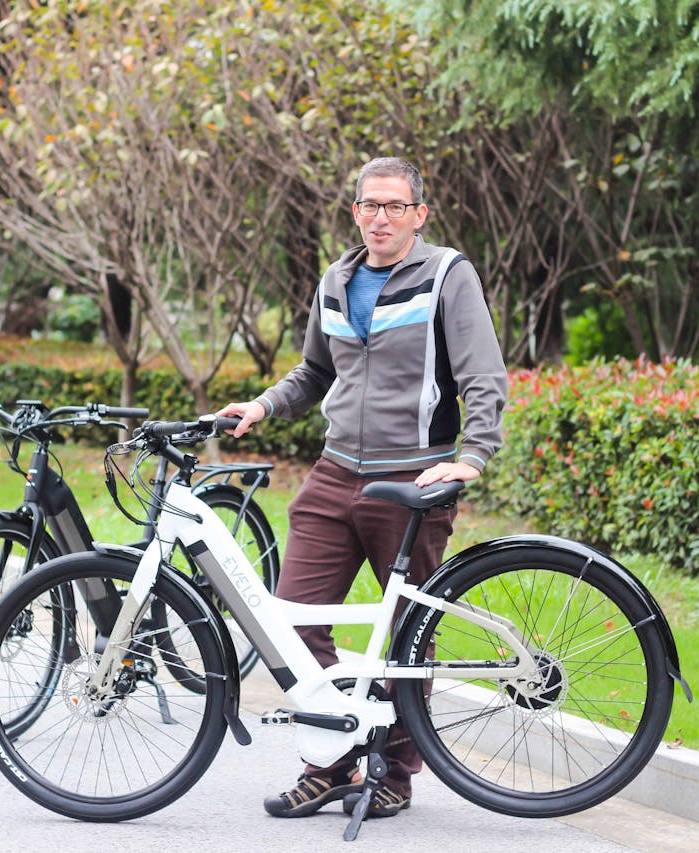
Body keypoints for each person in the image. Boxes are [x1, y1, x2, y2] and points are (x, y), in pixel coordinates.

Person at [217, 156, 507, 820]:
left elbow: (483, 372)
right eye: (369, 206)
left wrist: (472, 456)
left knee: (408, 634)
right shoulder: (337, 279)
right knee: (290, 620)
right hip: (334, 471)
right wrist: (262, 406)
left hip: (413, 477)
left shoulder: (446, 276)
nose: (381, 217)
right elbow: (315, 371)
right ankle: (334, 757)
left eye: (394, 206)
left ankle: (395, 773)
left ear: (419, 214)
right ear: (354, 213)